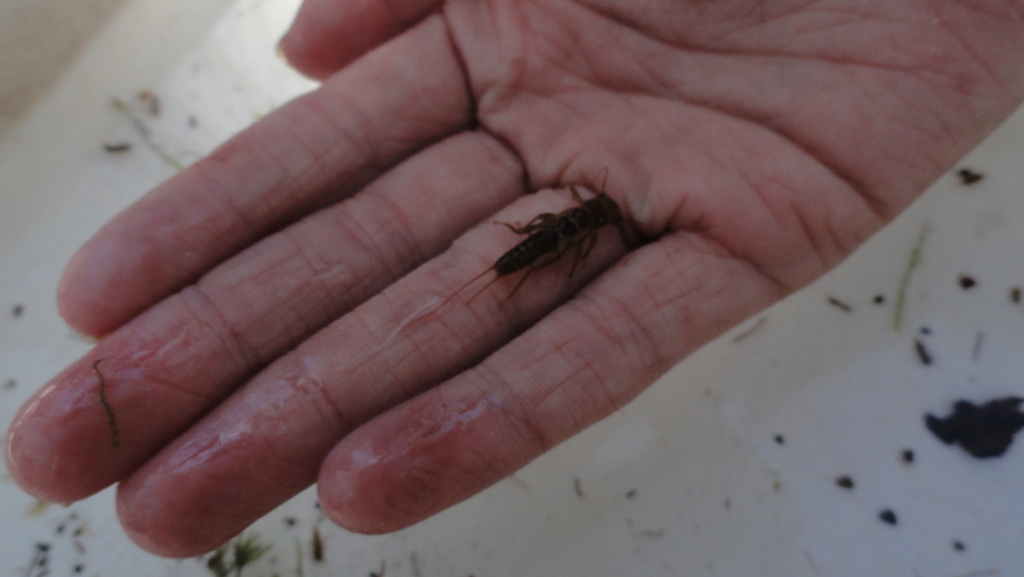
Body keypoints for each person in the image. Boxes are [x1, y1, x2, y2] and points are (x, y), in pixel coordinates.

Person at [6, 0, 1024, 557]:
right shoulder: (574, 221)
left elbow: (565, 231)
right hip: (530, 236)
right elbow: (563, 234)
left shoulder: (577, 217)